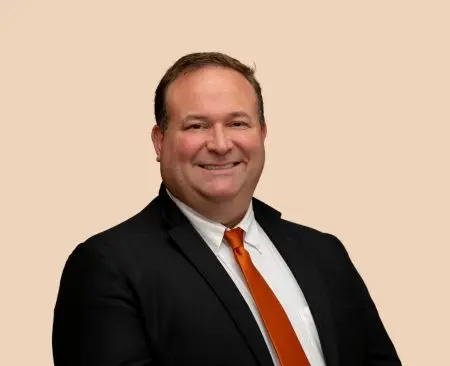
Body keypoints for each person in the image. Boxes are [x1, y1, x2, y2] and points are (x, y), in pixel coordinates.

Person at [52, 52, 402, 366]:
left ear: (262, 133)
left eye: (237, 123)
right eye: (197, 125)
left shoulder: (325, 253)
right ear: (160, 141)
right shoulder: (107, 266)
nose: (220, 144)